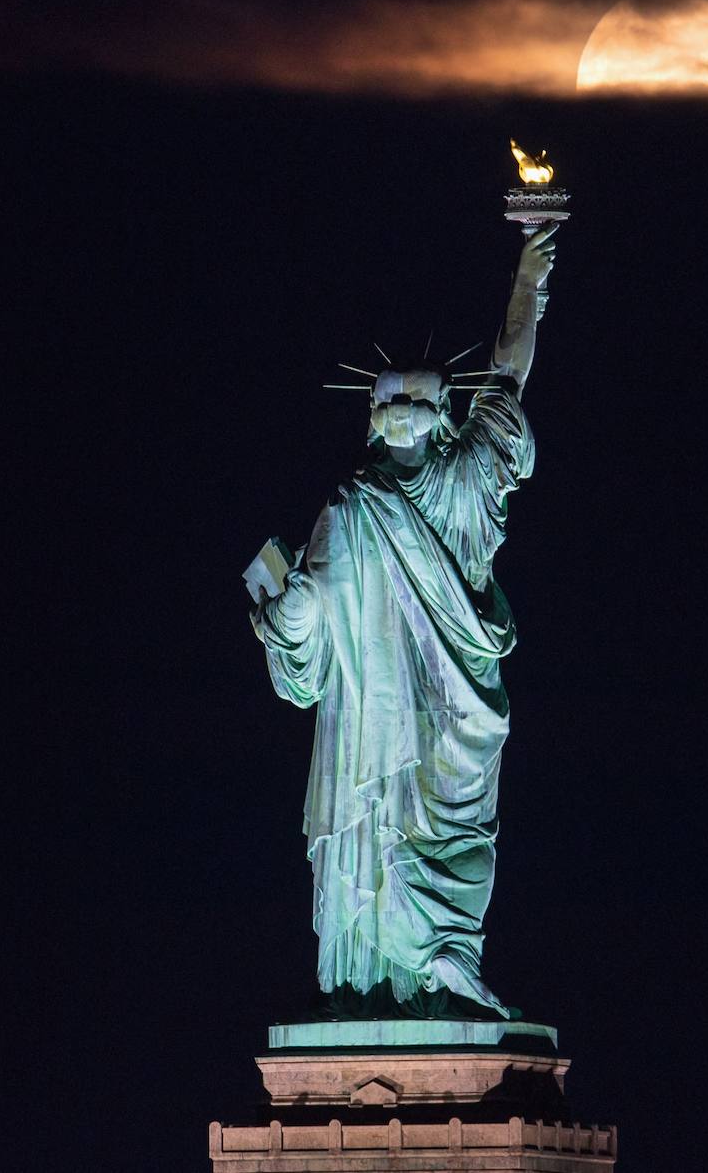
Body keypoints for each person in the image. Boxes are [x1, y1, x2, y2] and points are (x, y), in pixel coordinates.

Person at [251, 225, 557, 1018]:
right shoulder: (360, 506)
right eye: (390, 402)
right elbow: (309, 626)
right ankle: (402, 973)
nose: (398, 413)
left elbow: (508, 378)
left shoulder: (418, 492)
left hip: (425, 719)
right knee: (414, 828)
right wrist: (290, 614)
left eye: (408, 401)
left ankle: (425, 966)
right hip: (404, 721)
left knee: (433, 834)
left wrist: (530, 275)